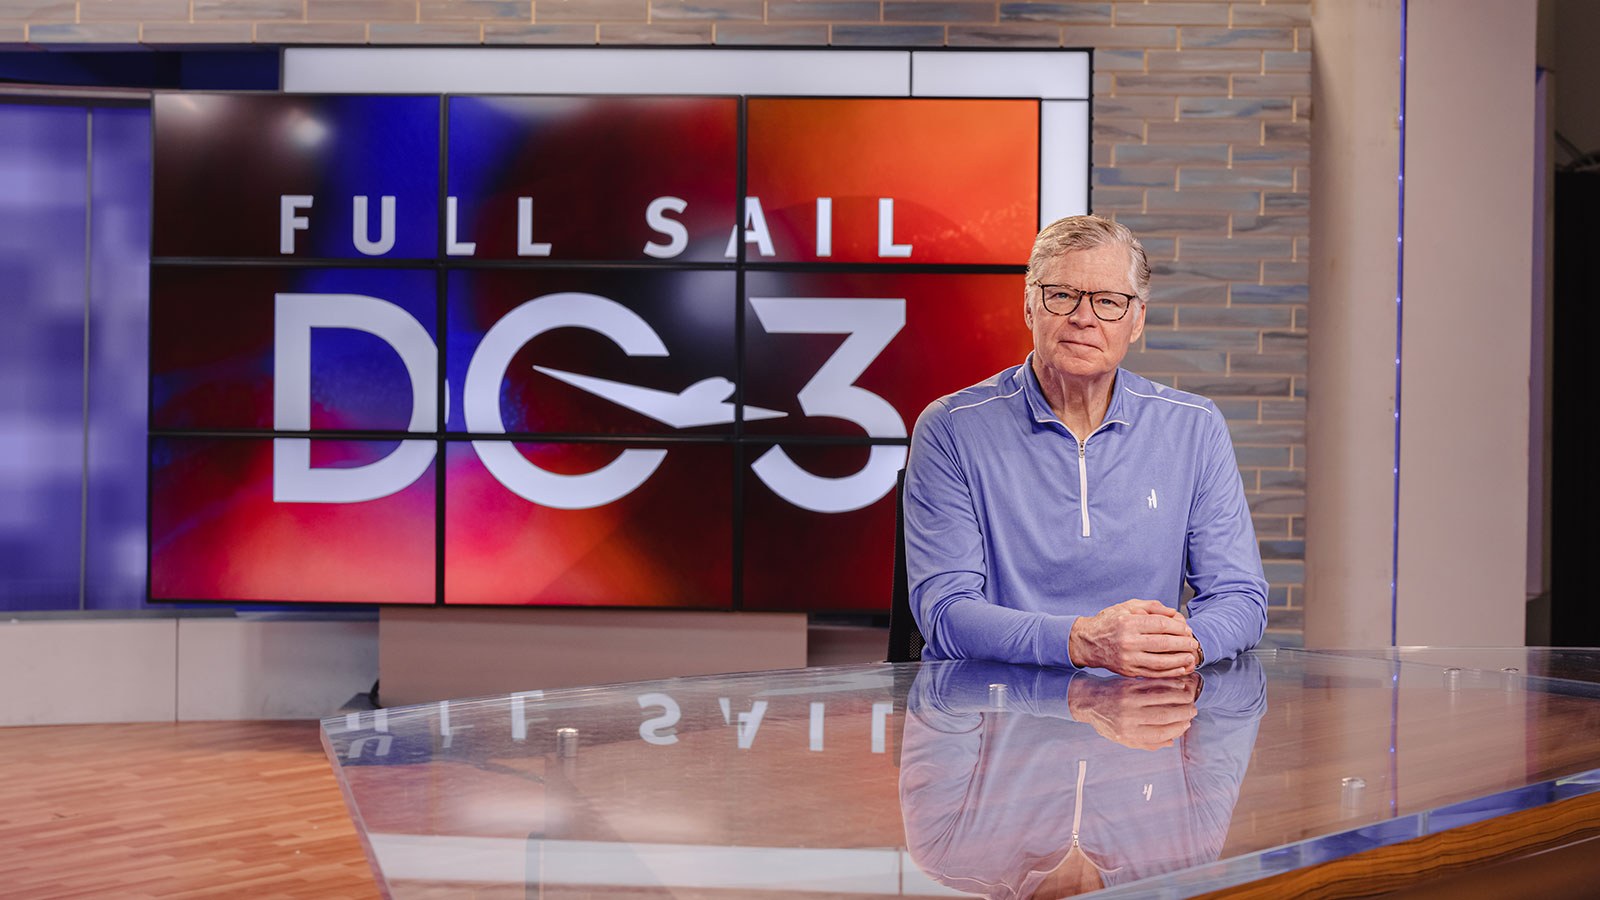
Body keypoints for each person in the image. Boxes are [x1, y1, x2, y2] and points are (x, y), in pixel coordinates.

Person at [904, 215, 1268, 677]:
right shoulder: (951, 428)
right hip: (995, 720)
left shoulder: (1195, 427)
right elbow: (945, 613)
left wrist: (1186, 644)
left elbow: (1240, 596)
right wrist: (1082, 642)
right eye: (1062, 296)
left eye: (1108, 301)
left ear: (1136, 321)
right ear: (1029, 308)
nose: (1083, 317)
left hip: (1142, 717)